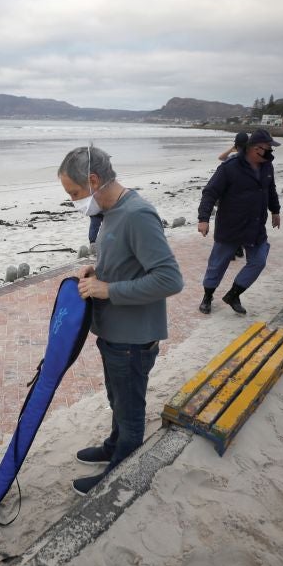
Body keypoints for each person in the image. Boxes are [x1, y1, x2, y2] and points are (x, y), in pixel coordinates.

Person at [58, 145, 183, 496]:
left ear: (93, 180)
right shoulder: (110, 211)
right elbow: (129, 262)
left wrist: (107, 289)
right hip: (113, 334)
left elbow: (170, 279)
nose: (73, 201)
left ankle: (118, 478)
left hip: (133, 340)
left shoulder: (137, 214)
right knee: (117, 400)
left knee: (130, 414)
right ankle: (113, 447)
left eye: (74, 193)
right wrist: (98, 272)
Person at [197, 128, 281, 315]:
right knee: (217, 265)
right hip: (231, 224)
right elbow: (210, 193)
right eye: (268, 148)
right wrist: (203, 218)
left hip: (256, 224)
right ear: (255, 148)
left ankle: (234, 294)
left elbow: (271, 189)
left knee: (258, 261)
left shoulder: (267, 166)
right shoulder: (230, 167)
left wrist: (275, 210)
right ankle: (207, 297)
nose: (270, 152)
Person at [217, 132, 249, 260]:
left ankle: (234, 250)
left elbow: (221, 158)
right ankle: (238, 249)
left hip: (232, 196)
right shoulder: (251, 157)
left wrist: (232, 148)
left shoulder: (233, 159)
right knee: (240, 224)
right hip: (245, 196)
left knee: (230, 224)